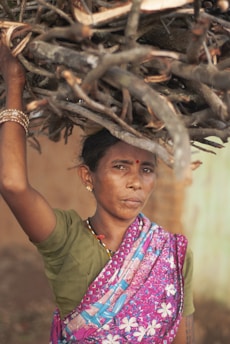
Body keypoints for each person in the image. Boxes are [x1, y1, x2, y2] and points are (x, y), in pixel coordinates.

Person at [0, 41, 194, 344]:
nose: (136, 181)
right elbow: (12, 184)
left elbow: (181, 339)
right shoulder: (65, 238)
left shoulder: (171, 253)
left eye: (146, 169)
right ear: (87, 176)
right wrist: (15, 83)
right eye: (120, 167)